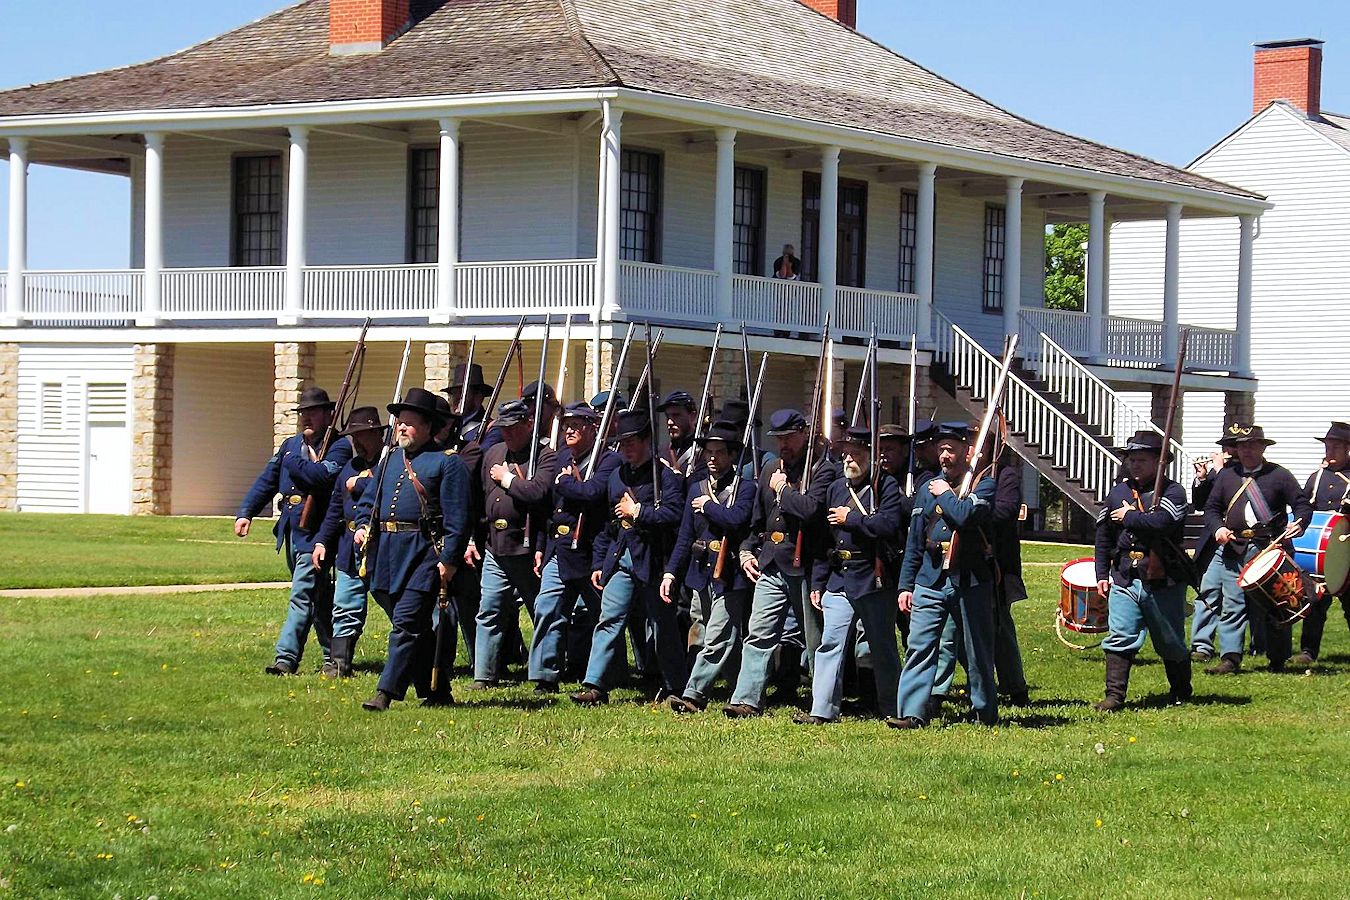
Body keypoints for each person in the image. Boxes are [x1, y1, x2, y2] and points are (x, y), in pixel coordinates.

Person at [354, 388, 470, 711]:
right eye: (399, 422)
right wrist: (363, 526)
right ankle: (436, 690)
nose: (401, 428)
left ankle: (385, 692)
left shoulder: (447, 464)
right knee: (415, 627)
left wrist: (449, 560)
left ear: (428, 427)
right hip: (388, 554)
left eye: (409, 423)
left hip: (424, 555)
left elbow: (458, 519)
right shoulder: (390, 459)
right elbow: (369, 502)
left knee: (406, 622)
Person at [571, 409, 688, 705]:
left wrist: (639, 512)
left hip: (654, 559)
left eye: (632, 442)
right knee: (609, 619)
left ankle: (675, 685)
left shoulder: (664, 477)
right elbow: (608, 525)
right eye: (622, 443)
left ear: (647, 440)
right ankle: (595, 684)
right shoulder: (617, 477)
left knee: (663, 625)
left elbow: (674, 515)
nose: (626, 449)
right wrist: (599, 562)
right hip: (621, 557)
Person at [724, 409, 836, 717]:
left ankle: (821, 704)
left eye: (788, 438)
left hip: (805, 565)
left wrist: (783, 489)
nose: (783, 444)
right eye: (779, 439)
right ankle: (746, 699)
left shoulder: (822, 470)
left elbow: (810, 511)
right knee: (758, 634)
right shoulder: (770, 468)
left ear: (803, 433)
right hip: (771, 562)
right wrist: (747, 550)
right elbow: (758, 520)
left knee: (814, 641)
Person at [236, 386, 352, 676]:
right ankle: (333, 656)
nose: (306, 418)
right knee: (318, 596)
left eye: (312, 412)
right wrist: (246, 512)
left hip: (317, 533)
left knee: (302, 594)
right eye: (303, 413)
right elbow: (267, 480)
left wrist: (294, 461)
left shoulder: (338, 446)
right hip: (292, 530)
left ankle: (285, 658)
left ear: (328, 414)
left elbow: (321, 477)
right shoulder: (291, 446)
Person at [890, 423, 999, 729]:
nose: (945, 456)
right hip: (930, 580)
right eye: (941, 450)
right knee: (919, 647)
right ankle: (912, 712)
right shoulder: (928, 488)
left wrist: (947, 495)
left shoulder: (983, 484)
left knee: (977, 652)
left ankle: (984, 712)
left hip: (969, 579)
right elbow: (915, 540)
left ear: (967, 451)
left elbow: (965, 516)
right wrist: (905, 585)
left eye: (951, 449)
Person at [796, 425, 903, 724]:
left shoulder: (887, 487)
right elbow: (825, 540)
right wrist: (818, 580)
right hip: (840, 576)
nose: (849, 460)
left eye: (856, 454)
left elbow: (888, 525)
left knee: (882, 647)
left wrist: (852, 519)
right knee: (830, 644)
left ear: (870, 456)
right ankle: (823, 710)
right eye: (846, 454)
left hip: (872, 577)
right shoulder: (837, 488)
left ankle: (892, 707)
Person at [1091, 431, 1194, 711]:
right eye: (1131, 459)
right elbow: (1104, 537)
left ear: (1159, 462)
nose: (1135, 465)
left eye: (1142, 459)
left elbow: (1163, 522)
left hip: (1162, 578)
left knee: (1170, 641)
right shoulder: (1118, 493)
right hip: (1125, 574)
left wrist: (1130, 517)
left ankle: (1181, 690)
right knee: (1120, 636)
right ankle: (1114, 696)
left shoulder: (1173, 492)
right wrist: (1102, 574)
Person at [1200, 424, 1313, 675]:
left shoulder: (1280, 475)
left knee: (1278, 603)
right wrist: (1218, 528)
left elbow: (1302, 504)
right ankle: (1230, 658)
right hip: (1235, 547)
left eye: (1252, 445)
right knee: (1233, 606)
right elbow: (1212, 509)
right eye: (1242, 446)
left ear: (1263, 447)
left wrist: (1300, 523)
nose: (1247, 450)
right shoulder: (1227, 476)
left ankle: (1278, 658)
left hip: (1271, 549)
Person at [664, 423, 758, 713]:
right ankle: (743, 691)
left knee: (717, 636)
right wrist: (670, 572)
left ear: (732, 456)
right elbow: (685, 536)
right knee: (712, 634)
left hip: (729, 574)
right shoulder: (696, 487)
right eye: (709, 452)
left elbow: (737, 519)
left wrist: (708, 507)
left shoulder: (745, 488)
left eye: (719, 452)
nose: (712, 458)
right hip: (700, 572)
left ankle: (693, 695)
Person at [528, 403, 620, 693]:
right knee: (548, 608)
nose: (569, 429)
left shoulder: (607, 460)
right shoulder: (560, 458)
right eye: (566, 424)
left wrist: (567, 482)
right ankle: (544, 676)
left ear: (593, 428)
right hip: (560, 546)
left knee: (601, 616)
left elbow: (593, 493)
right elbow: (548, 507)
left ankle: (609, 673)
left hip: (593, 550)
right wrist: (542, 544)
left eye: (577, 425)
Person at [472, 398, 556, 688]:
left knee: (540, 611)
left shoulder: (545, 455)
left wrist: (507, 479)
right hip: (495, 544)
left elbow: (538, 493)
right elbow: (479, 498)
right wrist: (474, 537)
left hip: (527, 546)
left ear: (528, 425)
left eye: (513, 428)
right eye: (504, 428)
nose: (507, 434)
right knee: (490, 609)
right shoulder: (493, 452)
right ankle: (484, 675)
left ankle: (546, 673)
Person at [311, 406, 384, 678]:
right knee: (345, 605)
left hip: (381, 544)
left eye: (362, 435)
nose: (357, 442)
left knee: (395, 606)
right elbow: (334, 509)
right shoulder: (349, 468)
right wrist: (321, 542)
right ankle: (340, 663)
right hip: (347, 545)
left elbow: (385, 490)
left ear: (376, 433)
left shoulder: (391, 463)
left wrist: (361, 484)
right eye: (354, 436)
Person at [1291, 422, 1350, 665]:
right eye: (1328, 446)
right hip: (1319, 555)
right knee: (1315, 603)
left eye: (1336, 447)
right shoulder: (1317, 477)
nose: (1330, 451)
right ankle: (1308, 651)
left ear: (1347, 449)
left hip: (1347, 550)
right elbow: (1305, 507)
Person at [989, 447, 1030, 706]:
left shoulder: (1005, 476)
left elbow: (1004, 512)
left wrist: (970, 512)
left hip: (996, 565)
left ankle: (1015, 688)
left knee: (1000, 629)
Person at [1189, 440, 1236, 661]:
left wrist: (1219, 471)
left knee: (1249, 598)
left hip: (1244, 541)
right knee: (1208, 591)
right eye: (1225, 448)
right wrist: (1201, 478)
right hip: (1216, 542)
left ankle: (1259, 646)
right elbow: (1200, 504)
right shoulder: (1218, 475)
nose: (1227, 453)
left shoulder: (1240, 473)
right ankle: (1201, 646)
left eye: (1231, 448)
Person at [441, 362, 491, 446]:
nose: (457, 397)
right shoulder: (448, 426)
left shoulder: (490, 428)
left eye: (462, 393)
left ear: (478, 397)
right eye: (454, 393)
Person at [657, 390, 700, 475]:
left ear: (692, 416)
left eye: (676, 415)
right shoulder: (662, 452)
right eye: (667, 416)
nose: (670, 422)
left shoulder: (703, 452)